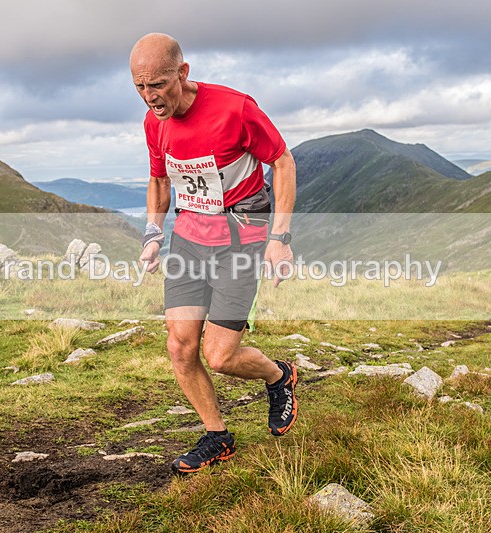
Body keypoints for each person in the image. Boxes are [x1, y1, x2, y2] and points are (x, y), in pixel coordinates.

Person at [129, 33, 299, 474]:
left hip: (239, 237)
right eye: (140, 88)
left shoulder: (234, 108)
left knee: (220, 356)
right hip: (189, 237)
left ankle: (279, 376)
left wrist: (280, 237)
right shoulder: (154, 122)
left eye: (159, 85)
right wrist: (152, 233)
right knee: (180, 347)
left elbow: (282, 161)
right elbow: (161, 179)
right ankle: (218, 436)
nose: (150, 98)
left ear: (183, 74)